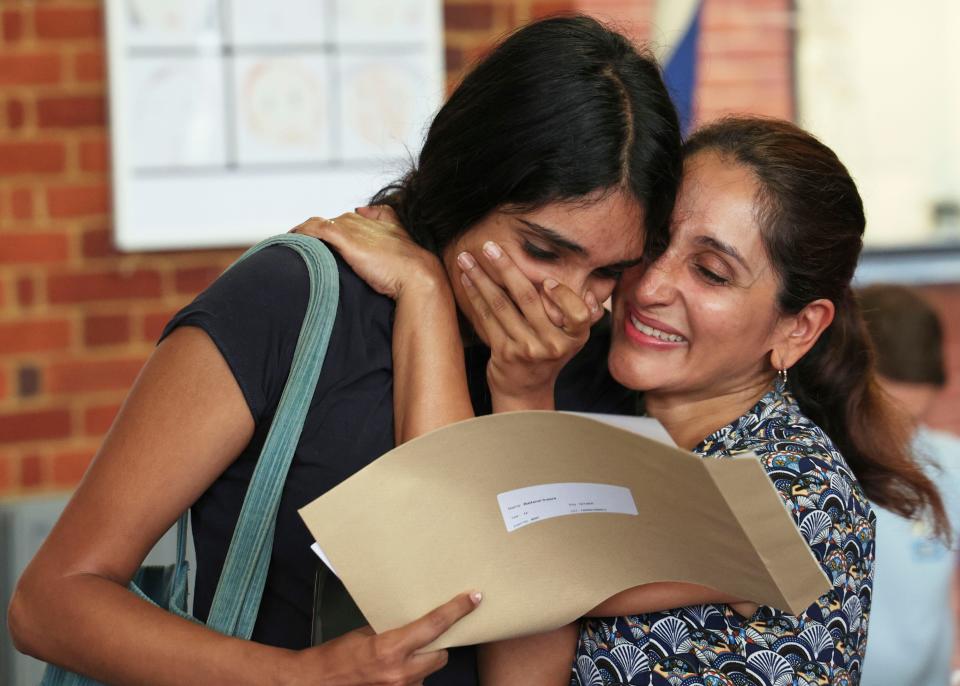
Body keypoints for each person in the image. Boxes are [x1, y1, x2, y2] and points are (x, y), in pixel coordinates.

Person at [6, 15, 682, 686]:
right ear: (465, 183)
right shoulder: (294, 302)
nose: (568, 301)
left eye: (607, 273)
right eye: (542, 250)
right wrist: (297, 677)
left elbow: (511, 627)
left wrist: (520, 389)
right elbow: (50, 602)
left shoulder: (596, 366)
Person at [305, 116, 950, 685]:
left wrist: (425, 291)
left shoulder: (791, 494)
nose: (652, 287)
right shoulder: (615, 422)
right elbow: (525, 654)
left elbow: (465, 572)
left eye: (711, 272)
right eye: (654, 244)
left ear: (797, 329)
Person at [857, 284, 960, 686]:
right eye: (884, 420)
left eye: (912, 421)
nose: (897, 442)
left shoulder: (947, 462)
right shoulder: (809, 474)